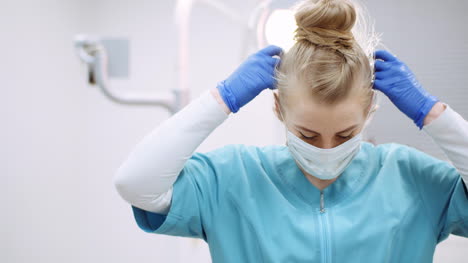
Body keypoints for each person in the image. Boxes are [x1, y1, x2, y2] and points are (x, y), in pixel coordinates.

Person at [113, 0, 468, 262]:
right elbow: (135, 182)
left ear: (369, 112)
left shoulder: (410, 179)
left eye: (344, 135)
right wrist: (223, 98)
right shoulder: (233, 179)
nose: (327, 150)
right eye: (308, 135)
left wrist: (431, 112)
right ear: (278, 109)